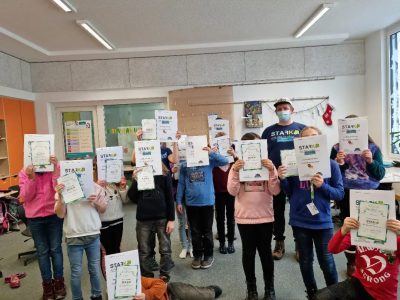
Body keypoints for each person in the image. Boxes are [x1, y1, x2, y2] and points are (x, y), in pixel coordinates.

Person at [278, 126, 344, 299]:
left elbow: (340, 193)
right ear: (299, 144)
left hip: (323, 222)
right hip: (300, 221)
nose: (310, 141)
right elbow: (289, 193)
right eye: (305, 138)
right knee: (306, 262)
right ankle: (312, 294)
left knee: (327, 262)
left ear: (321, 140)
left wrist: (323, 186)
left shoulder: (331, 165)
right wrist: (283, 178)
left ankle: (334, 294)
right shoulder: (293, 163)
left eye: (314, 137)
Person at [330, 114, 386, 277]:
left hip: (370, 192)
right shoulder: (337, 148)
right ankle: (351, 262)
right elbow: (331, 175)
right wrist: (337, 162)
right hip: (347, 192)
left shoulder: (373, 148)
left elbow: (380, 174)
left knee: (370, 228)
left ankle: (369, 261)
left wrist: (370, 161)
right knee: (350, 228)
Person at [227, 132, 280, 300]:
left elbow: (275, 190)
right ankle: (251, 290)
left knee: (265, 253)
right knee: (248, 254)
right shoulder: (236, 167)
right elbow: (232, 191)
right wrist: (235, 171)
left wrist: (272, 171)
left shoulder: (268, 166)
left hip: (265, 216)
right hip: (245, 217)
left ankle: (270, 289)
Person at [261, 98, 306, 260]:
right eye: (279, 109)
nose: (282, 111)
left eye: (285, 108)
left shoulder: (302, 129)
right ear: (276, 112)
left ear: (292, 109)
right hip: (276, 177)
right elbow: (262, 153)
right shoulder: (268, 131)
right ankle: (279, 242)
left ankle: (299, 244)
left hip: (298, 177)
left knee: (297, 209)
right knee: (278, 211)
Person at [54, 163, 107, 300]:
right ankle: (77, 298)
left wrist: (97, 202)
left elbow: (103, 209)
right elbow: (60, 214)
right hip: (74, 236)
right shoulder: (64, 189)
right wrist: (61, 198)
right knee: (76, 272)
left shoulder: (96, 188)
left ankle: (97, 295)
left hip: (93, 234)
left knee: (94, 269)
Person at [314, 217, 400, 300]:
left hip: (383, 293)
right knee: (319, 297)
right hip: (359, 283)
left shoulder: (395, 236)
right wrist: (343, 230)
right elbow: (332, 249)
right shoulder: (359, 230)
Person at [19, 155, 66, 300]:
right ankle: (47, 287)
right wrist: (31, 178)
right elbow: (26, 197)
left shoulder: (55, 168)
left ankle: (59, 285)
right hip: (35, 218)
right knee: (43, 252)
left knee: (56, 249)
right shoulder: (24, 172)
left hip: (53, 214)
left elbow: (59, 190)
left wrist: (55, 172)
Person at [176, 147, 229, 270]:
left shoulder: (209, 161)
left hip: (207, 202)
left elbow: (225, 161)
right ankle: (198, 256)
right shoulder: (185, 165)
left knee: (207, 231)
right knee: (194, 231)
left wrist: (212, 153)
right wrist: (179, 200)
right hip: (191, 203)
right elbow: (181, 184)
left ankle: (209, 255)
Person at [128, 164, 175, 282]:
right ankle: (147, 277)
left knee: (165, 248)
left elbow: (170, 197)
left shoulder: (164, 174)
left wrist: (171, 220)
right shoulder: (139, 173)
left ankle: (164, 274)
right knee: (144, 250)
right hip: (144, 218)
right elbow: (132, 198)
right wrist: (135, 180)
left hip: (162, 218)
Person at [213, 133, 236, 254]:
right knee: (220, 218)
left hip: (231, 193)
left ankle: (231, 242)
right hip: (218, 193)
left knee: (231, 218)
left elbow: (242, 164)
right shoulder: (214, 160)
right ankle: (222, 242)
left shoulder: (232, 160)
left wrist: (234, 154)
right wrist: (214, 153)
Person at [98, 175, 129, 255]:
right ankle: (106, 267)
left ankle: (116, 267)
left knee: (116, 248)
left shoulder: (116, 181)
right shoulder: (95, 182)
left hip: (118, 219)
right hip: (102, 221)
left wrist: (123, 187)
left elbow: (125, 200)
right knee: (105, 250)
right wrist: (97, 186)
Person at [133, 276, 222, 300]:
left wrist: (146, 296)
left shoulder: (133, 278)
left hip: (170, 292)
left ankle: (205, 289)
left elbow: (160, 283)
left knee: (210, 294)